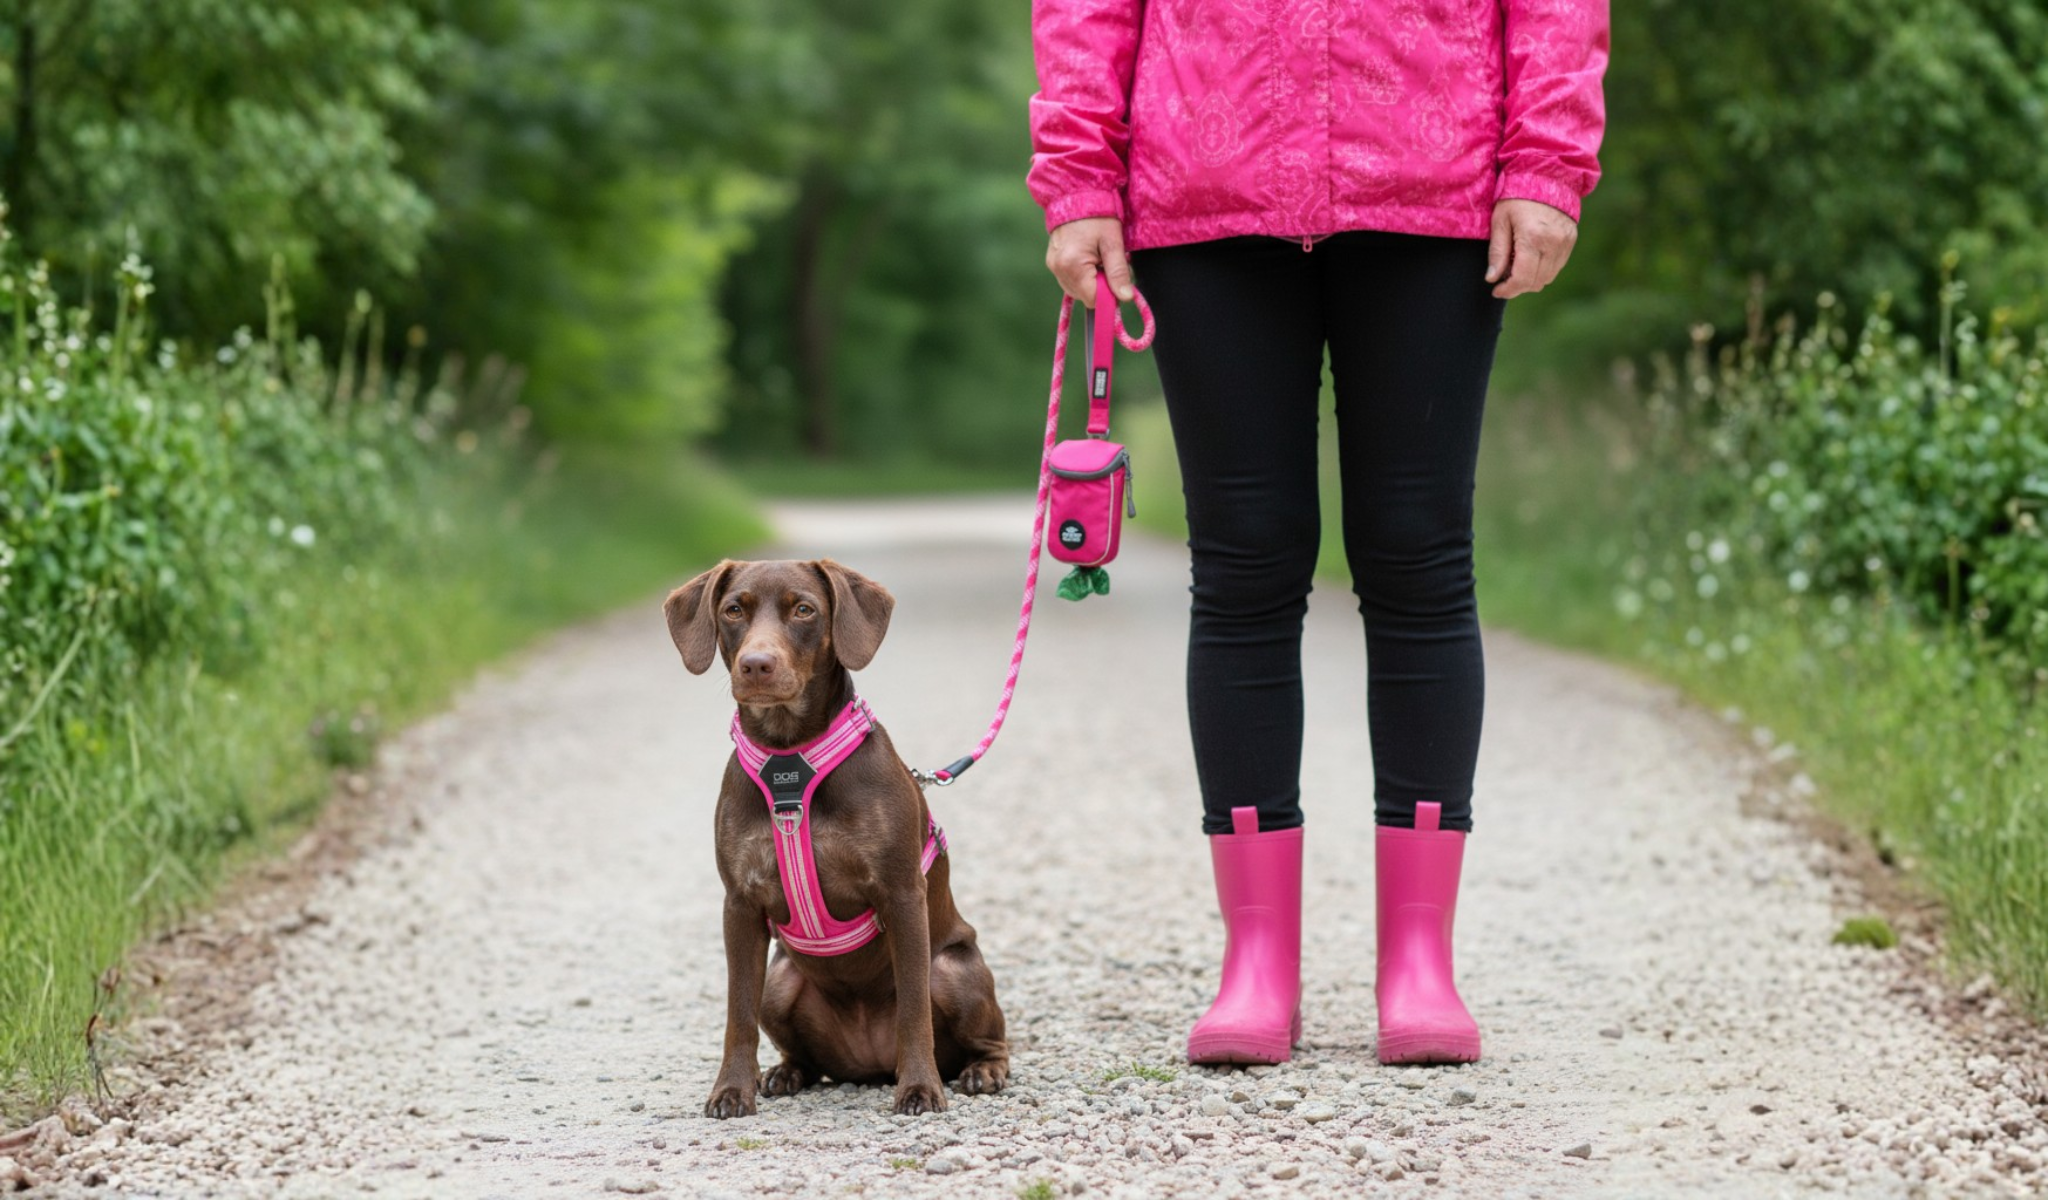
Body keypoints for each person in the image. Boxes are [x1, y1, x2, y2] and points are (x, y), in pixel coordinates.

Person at [1027, 1, 1607, 1065]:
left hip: (1432, 181)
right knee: (1243, 564)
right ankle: (1255, 967)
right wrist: (1075, 178)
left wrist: (1546, 161)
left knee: (1419, 556)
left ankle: (1418, 966)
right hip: (1205, 184)